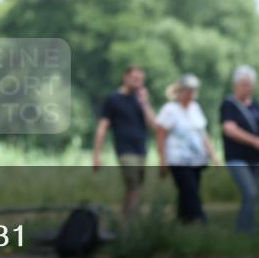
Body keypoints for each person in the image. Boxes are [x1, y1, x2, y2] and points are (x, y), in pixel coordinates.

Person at [92, 66, 157, 225]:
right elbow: (102, 127)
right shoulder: (114, 100)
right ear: (125, 77)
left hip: (141, 150)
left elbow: (153, 125)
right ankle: (134, 221)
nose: (138, 83)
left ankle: (125, 222)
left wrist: (145, 103)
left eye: (141, 80)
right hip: (125, 151)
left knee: (133, 188)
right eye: (135, 79)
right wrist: (96, 155)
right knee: (133, 185)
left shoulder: (139, 101)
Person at [220, 65, 259, 233]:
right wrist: (254, 141)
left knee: (256, 194)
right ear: (236, 85)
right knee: (250, 192)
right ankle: (245, 231)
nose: (248, 88)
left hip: (256, 158)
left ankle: (249, 228)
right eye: (245, 84)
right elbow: (230, 129)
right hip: (237, 157)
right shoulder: (229, 104)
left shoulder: (257, 105)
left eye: (250, 84)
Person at [156, 74, 218, 224]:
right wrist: (163, 160)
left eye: (193, 91)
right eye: (188, 91)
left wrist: (213, 155)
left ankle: (183, 223)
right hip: (178, 160)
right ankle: (202, 221)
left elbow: (203, 134)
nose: (190, 94)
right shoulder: (169, 110)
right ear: (181, 91)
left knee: (188, 193)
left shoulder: (195, 108)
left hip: (196, 160)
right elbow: (161, 136)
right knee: (190, 192)